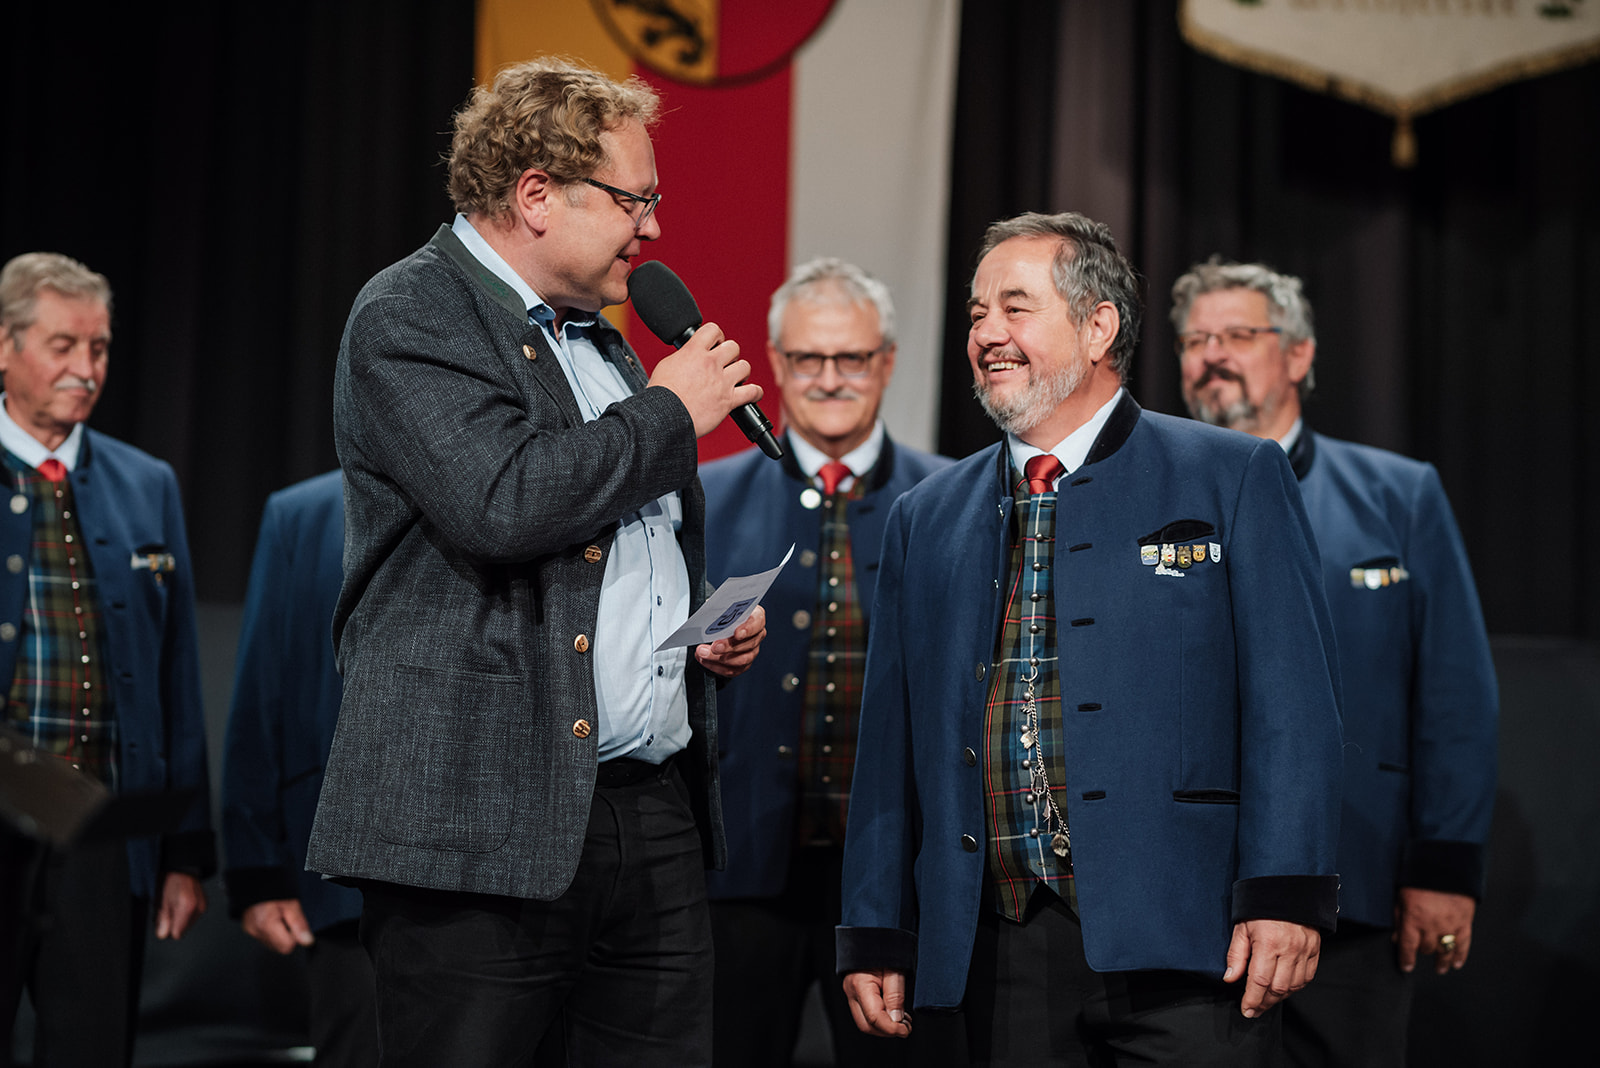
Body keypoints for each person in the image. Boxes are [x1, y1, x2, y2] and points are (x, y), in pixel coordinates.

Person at [304, 56, 766, 1068]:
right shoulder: (411, 312)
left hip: (648, 813)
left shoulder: (603, 340)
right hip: (477, 825)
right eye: (634, 200)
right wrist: (669, 412)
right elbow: (501, 503)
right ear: (537, 195)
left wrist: (698, 626)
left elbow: (612, 543)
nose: (653, 230)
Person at [836, 212, 1345, 1067]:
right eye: (976, 314)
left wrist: (1288, 894)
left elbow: (1292, 707)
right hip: (998, 953)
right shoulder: (925, 516)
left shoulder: (1230, 475)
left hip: (1193, 942)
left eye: (1015, 308)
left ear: (1098, 325)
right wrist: (875, 928)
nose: (987, 334)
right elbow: (889, 748)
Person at [1173, 258, 1498, 1067]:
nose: (1212, 356)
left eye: (1237, 335)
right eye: (1195, 340)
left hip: (1358, 885)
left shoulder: (1399, 495)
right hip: (1185, 899)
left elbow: (1455, 696)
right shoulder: (1150, 497)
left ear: (1299, 354)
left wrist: (1445, 868)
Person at [700, 258, 952, 1067]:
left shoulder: (953, 500)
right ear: (776, 362)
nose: (831, 378)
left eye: (852, 358)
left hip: (900, 882)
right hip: (739, 875)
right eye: (810, 358)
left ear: (888, 361)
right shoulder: (702, 499)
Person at [0, 252, 212, 1067]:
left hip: (100, 827)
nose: (85, 369)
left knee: (90, 1048)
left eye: (98, 348)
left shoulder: (144, 482)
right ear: (8, 346)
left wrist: (183, 854)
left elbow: (174, 678)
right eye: (63, 346)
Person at [222, 469, 378, 1068]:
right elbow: (263, 692)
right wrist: (257, 873)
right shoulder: (303, 513)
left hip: (503, 870)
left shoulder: (521, 494)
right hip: (346, 874)